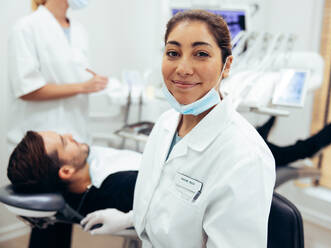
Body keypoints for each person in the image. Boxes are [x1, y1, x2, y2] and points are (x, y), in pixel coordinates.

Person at [82, 10, 276, 247]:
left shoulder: (245, 156)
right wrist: (130, 218)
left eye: (201, 54)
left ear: (226, 66)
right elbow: (166, 200)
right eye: (173, 53)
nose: (183, 68)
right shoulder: (165, 124)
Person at [6, 0, 108, 247]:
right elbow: (26, 88)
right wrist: (82, 87)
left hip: (74, 135)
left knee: (64, 216)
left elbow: (73, 75)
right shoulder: (27, 27)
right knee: (47, 221)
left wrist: (91, 84)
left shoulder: (79, 30)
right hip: (46, 143)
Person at [7, 130, 140, 216]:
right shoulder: (117, 185)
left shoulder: (83, 161)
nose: (70, 135)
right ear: (66, 171)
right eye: (64, 142)